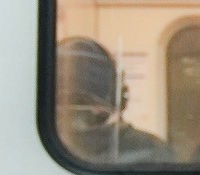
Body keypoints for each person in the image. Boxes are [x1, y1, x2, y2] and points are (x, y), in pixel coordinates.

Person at [55, 37, 167, 165]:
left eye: (82, 101)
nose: (67, 110)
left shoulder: (150, 151)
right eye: (65, 100)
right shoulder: (152, 149)